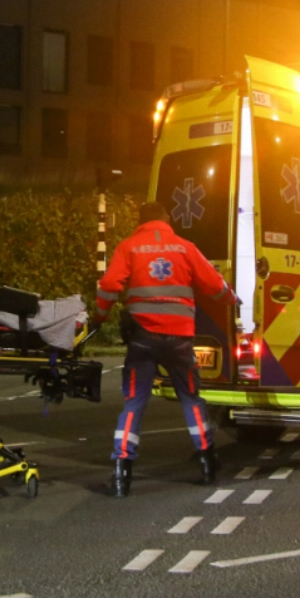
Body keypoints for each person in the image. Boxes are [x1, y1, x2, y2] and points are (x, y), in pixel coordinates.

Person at [93, 201, 236, 497]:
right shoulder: (185, 247)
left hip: (142, 338)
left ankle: (121, 473)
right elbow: (214, 284)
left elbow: (108, 285)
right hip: (179, 338)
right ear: (166, 218)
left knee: (134, 403)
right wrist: (232, 300)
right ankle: (208, 463)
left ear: (140, 221)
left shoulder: (129, 247)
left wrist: (100, 316)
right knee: (191, 399)